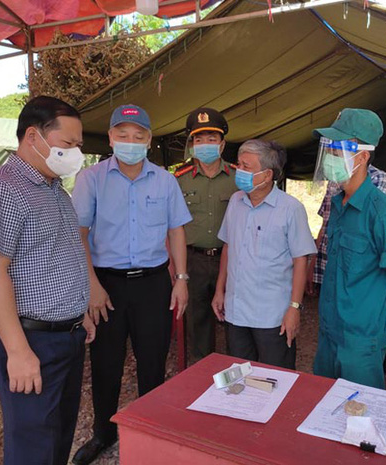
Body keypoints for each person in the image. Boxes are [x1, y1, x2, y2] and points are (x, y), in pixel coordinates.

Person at [0, 96, 95, 465]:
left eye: (78, 145)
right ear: (33, 136)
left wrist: (79, 311)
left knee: (58, 437)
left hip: (66, 335)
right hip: (30, 338)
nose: (75, 153)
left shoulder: (55, 191)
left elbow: (60, 257)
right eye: (68, 143)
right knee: (32, 447)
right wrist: (19, 352)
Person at [71, 104, 192, 464]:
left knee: (152, 361)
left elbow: (177, 231)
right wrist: (91, 285)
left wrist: (181, 279)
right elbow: (79, 234)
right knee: (105, 362)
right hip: (106, 284)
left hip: (153, 284)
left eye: (138, 136)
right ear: (110, 138)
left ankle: (149, 430)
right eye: (122, 135)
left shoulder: (165, 180)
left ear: (149, 140)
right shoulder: (91, 178)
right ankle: (103, 434)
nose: (130, 142)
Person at [311, 108, 386, 389]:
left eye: (339, 148)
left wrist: (379, 317)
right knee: (321, 400)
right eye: (329, 148)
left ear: (363, 156)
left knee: (361, 408)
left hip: (361, 340)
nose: (331, 155)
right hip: (329, 332)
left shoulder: (384, 215)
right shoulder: (338, 203)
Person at [211, 140, 316, 369]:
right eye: (239, 164)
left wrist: (295, 308)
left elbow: (301, 260)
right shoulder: (236, 202)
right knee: (239, 376)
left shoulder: (291, 208)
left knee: (276, 378)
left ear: (267, 175)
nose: (239, 171)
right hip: (236, 310)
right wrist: (220, 290)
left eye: (246, 166)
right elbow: (228, 246)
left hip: (272, 315)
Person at [175, 108, 238, 361]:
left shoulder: (238, 177)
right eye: (199, 140)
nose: (205, 145)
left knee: (234, 319)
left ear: (222, 144)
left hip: (231, 259)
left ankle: (237, 368)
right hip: (194, 260)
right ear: (192, 145)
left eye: (212, 139)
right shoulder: (179, 179)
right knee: (197, 320)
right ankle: (202, 370)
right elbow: (172, 226)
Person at [307, 170, 386, 296]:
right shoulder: (334, 179)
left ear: (363, 159)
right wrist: (313, 263)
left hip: (354, 275)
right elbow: (325, 224)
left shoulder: (378, 178)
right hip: (326, 269)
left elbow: (364, 221)